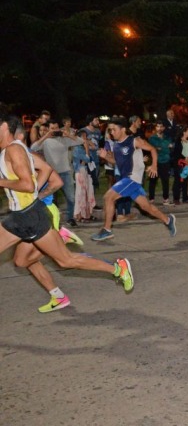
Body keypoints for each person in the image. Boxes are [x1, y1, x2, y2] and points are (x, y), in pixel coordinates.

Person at [0, 115, 134, 310]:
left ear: (4, 127)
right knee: (21, 261)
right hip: (18, 215)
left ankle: (117, 268)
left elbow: (27, 185)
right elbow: (44, 170)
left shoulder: (14, 149)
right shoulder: (8, 151)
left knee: (65, 261)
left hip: (29, 216)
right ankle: (58, 295)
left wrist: (12, 185)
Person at [91, 116, 176, 241]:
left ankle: (107, 230)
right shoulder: (116, 146)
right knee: (146, 207)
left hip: (132, 178)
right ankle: (168, 220)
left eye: (113, 129)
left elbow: (152, 149)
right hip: (128, 179)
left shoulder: (134, 141)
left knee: (108, 197)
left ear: (123, 129)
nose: (111, 132)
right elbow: (117, 163)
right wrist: (106, 157)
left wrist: (154, 166)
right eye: (109, 130)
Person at [30, 119, 84, 226]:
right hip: (51, 175)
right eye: (52, 128)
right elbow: (33, 148)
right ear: (48, 129)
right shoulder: (46, 141)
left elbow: (81, 141)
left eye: (56, 128)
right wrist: (46, 136)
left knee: (71, 198)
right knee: (52, 200)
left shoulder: (64, 139)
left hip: (66, 172)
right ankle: (54, 220)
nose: (54, 130)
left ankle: (70, 218)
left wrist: (68, 135)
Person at [147, 120, 173, 205]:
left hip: (166, 162)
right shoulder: (152, 138)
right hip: (156, 162)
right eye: (157, 126)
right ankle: (151, 199)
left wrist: (162, 147)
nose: (159, 128)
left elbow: (169, 149)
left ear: (164, 128)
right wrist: (166, 146)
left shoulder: (168, 137)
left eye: (161, 126)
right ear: (155, 127)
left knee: (165, 181)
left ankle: (166, 198)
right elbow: (156, 148)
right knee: (153, 181)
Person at [79, 114, 103, 193]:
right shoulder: (83, 131)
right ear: (90, 122)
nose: (98, 122)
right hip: (87, 160)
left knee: (95, 180)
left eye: (98, 120)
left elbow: (99, 143)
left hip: (96, 159)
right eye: (96, 120)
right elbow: (79, 143)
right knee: (87, 181)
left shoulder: (98, 131)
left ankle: (92, 202)